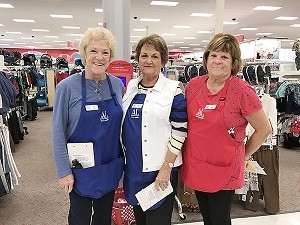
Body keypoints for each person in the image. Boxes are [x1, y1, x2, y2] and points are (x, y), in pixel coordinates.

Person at [180, 33, 272, 225]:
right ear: (206, 58)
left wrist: (244, 155)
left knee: (220, 218)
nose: (217, 61)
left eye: (224, 57)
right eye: (213, 55)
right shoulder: (194, 85)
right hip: (197, 163)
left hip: (225, 167)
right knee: (205, 215)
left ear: (233, 62)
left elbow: (264, 129)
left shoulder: (242, 91)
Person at [51, 27, 125, 225]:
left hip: (109, 164)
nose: (99, 57)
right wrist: (63, 171)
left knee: (103, 217)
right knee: (79, 218)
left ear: (111, 57)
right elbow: (58, 132)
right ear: (84, 53)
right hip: (80, 170)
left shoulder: (117, 85)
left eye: (105, 52)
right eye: (93, 51)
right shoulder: (67, 87)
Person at [122, 34, 188, 225]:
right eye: (144, 55)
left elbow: (180, 131)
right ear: (137, 59)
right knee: (140, 218)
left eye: (154, 56)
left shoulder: (173, 90)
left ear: (163, 61)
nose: (148, 60)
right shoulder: (132, 87)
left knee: (157, 220)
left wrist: (166, 167)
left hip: (160, 169)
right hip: (134, 168)